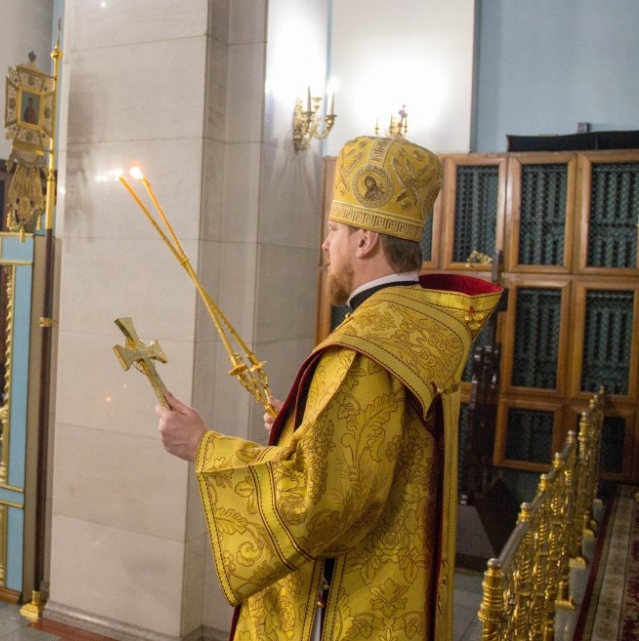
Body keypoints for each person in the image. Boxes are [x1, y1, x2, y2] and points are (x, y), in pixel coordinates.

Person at [155, 136, 504, 641]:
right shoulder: (423, 322)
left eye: (334, 231)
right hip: (398, 594)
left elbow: (318, 503)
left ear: (365, 241)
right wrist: (304, 425)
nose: (325, 245)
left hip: (347, 608)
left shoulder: (366, 347)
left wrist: (202, 446)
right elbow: (376, 455)